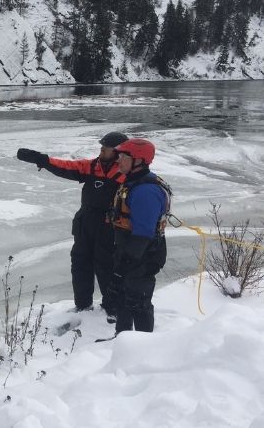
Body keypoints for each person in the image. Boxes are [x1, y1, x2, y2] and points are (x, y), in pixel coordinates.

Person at [16, 132, 128, 321]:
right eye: (101, 146)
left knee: (106, 266)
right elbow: (65, 166)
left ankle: (113, 309)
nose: (101, 150)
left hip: (110, 227)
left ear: (118, 151)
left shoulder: (126, 172)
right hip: (85, 223)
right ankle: (83, 306)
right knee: (80, 263)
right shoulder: (92, 166)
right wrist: (41, 159)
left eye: (105, 147)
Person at [109, 138, 171, 333]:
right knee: (123, 297)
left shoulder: (146, 191)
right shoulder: (133, 183)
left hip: (142, 255)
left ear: (138, 160)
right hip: (130, 251)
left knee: (137, 301)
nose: (118, 161)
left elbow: (143, 234)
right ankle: (122, 341)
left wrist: (123, 266)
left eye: (123, 157)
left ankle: (144, 348)